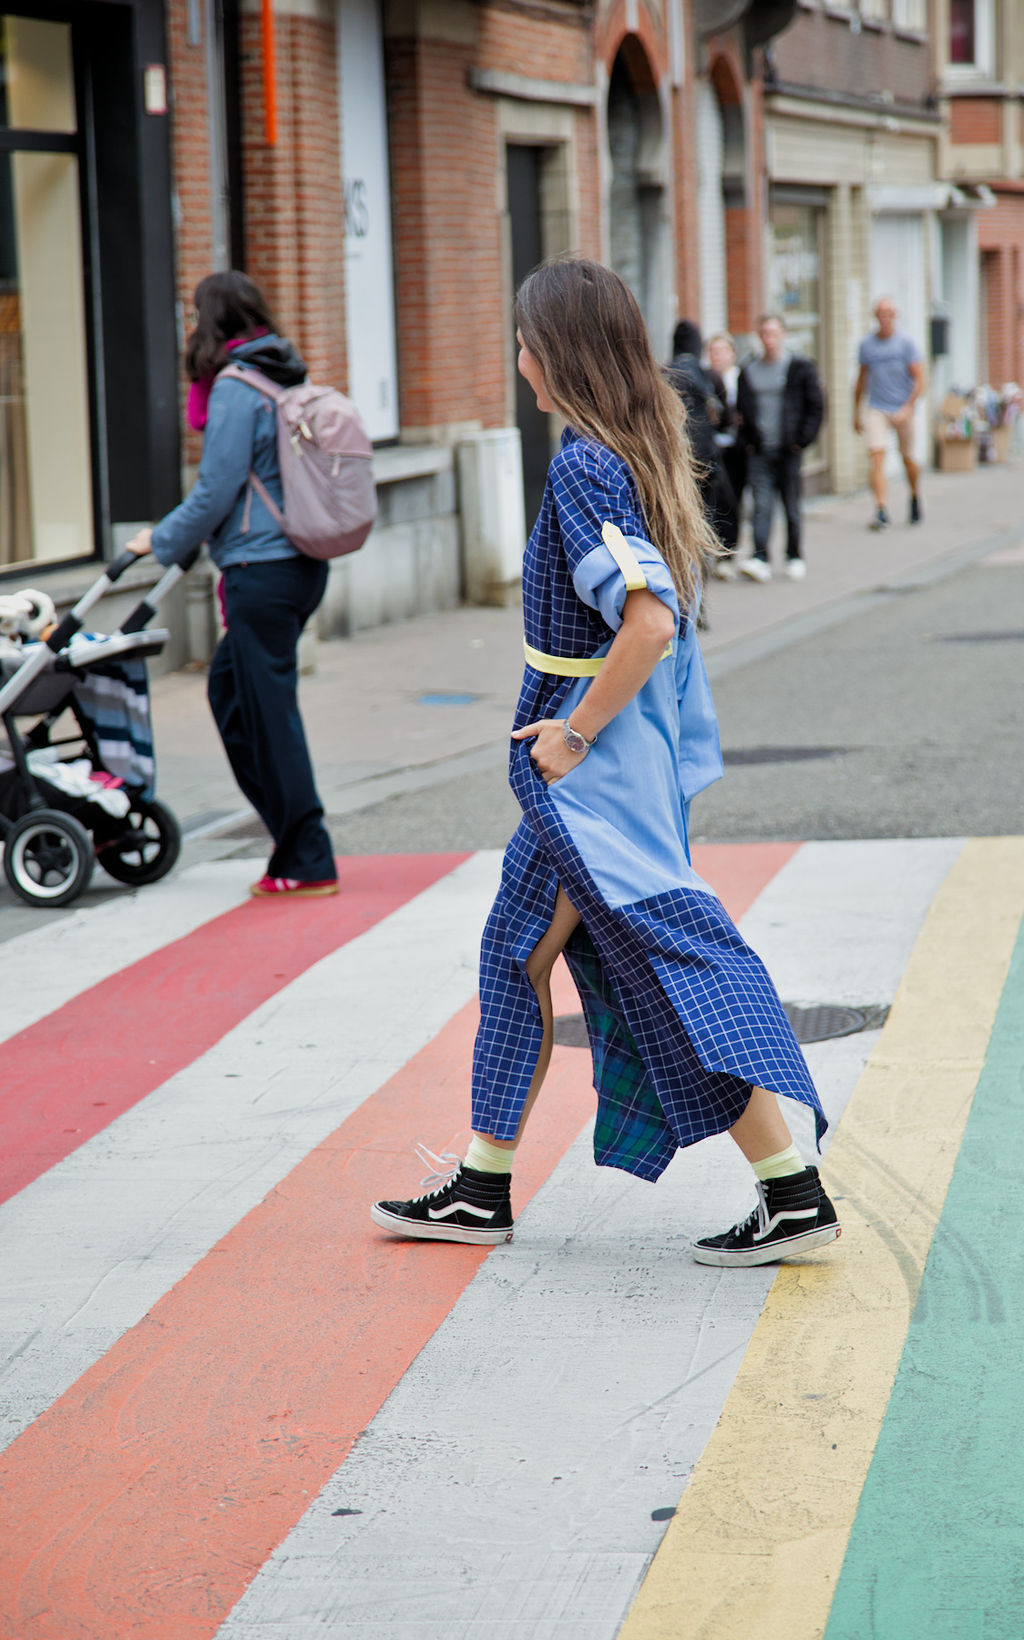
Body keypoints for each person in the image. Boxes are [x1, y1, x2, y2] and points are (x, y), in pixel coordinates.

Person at [370, 259, 840, 1268]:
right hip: (613, 769)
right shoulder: (637, 450)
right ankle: (782, 1186)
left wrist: (569, 733)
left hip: (585, 774)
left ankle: (489, 1186)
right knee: (605, 964)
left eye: (527, 340)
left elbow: (650, 621)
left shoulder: (585, 464)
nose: (519, 357)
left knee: (588, 958)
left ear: (561, 354)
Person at [126, 271, 338, 898]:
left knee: (269, 717)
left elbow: (216, 489)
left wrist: (159, 540)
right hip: (297, 567)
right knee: (233, 696)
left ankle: (308, 857)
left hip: (262, 572)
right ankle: (291, 840)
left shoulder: (235, 388)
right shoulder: (282, 372)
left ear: (210, 322)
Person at [736, 314, 824, 583]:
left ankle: (794, 556)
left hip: (789, 450)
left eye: (773, 333)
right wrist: (748, 441)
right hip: (760, 450)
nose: (769, 339)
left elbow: (816, 406)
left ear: (783, 335)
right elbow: (741, 410)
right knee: (761, 505)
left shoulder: (799, 368)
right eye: (764, 334)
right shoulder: (749, 370)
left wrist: (802, 440)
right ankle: (760, 557)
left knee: (791, 506)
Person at [854, 297, 925, 531]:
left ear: (895, 316)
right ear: (875, 316)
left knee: (908, 459)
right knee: (876, 455)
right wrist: (856, 412)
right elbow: (862, 379)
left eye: (888, 313)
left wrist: (908, 407)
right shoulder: (867, 345)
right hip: (877, 407)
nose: (884, 317)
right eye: (880, 313)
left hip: (902, 408)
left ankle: (914, 494)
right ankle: (881, 509)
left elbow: (919, 379)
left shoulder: (905, 343)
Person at [707, 331, 745, 576]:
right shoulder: (703, 380)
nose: (717, 356)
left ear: (733, 354)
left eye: (722, 351)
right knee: (716, 503)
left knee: (734, 501)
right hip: (712, 451)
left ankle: (729, 553)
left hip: (738, 451)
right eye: (713, 351)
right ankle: (717, 552)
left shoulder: (741, 379)